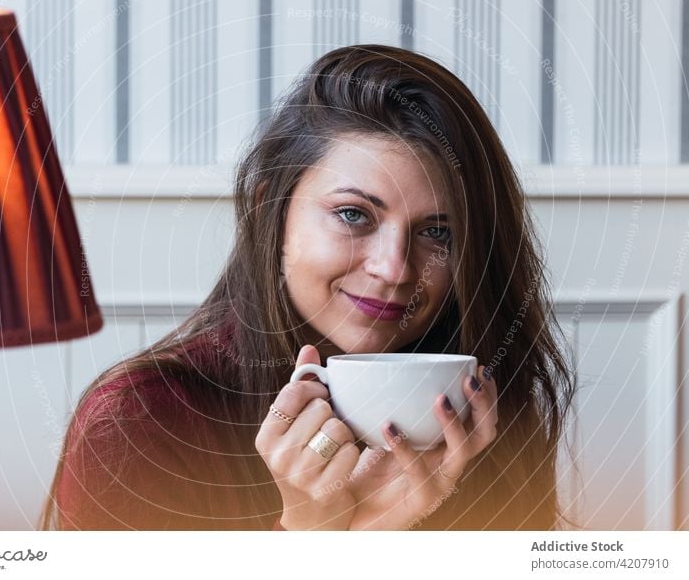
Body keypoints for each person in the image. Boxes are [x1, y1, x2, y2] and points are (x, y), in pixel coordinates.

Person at [40, 44, 575, 531]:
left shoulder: (483, 405)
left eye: (437, 232)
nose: (394, 269)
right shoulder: (142, 424)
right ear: (268, 210)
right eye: (353, 215)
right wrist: (309, 540)